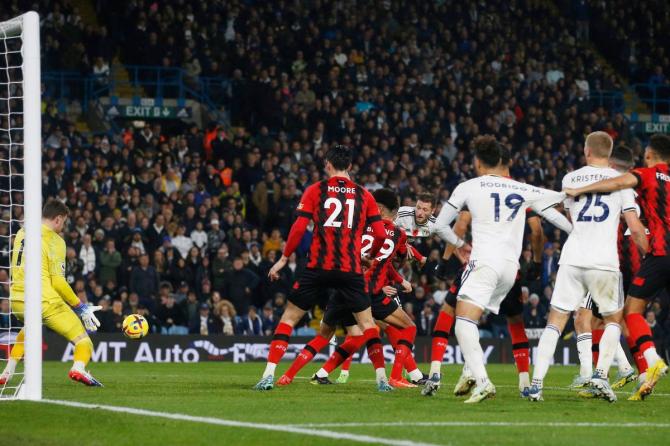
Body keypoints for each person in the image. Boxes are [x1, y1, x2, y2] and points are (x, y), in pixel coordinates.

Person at [432, 135, 570, 403]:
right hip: (510, 269)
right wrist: (575, 230)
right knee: (485, 318)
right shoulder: (522, 188)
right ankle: (471, 372)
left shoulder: (468, 186)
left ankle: (482, 381)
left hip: (484, 262)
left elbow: (440, 226)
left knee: (463, 322)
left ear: (478, 162)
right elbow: (553, 209)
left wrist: (460, 244)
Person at [253, 145, 390, 391]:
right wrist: (367, 255)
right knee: (368, 325)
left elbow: (298, 228)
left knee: (289, 318)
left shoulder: (316, 190)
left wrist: (284, 258)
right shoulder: (364, 195)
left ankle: (268, 375)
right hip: (350, 268)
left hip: (318, 266)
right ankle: (382, 379)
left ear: (327, 164)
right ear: (349, 166)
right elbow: (380, 234)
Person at [529, 132, 648, 402]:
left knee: (555, 322)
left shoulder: (570, 179)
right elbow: (633, 225)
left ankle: (536, 384)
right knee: (613, 320)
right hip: (604, 261)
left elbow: (564, 212)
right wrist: (649, 254)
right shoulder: (623, 185)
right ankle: (601, 377)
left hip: (572, 257)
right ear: (609, 153)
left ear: (587, 151)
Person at [276, 189, 421, 388]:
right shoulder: (397, 233)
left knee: (326, 336)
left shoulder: (358, 226)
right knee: (405, 328)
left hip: (343, 285)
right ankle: (395, 376)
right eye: (395, 214)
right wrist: (401, 274)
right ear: (387, 211)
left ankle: (290, 375)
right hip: (369, 292)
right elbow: (396, 258)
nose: (396, 218)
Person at [564, 133, 670, 401]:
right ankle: (636, 371)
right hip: (641, 254)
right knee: (613, 318)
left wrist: (580, 189)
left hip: (621, 257)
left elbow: (623, 201)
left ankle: (605, 374)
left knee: (608, 316)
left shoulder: (638, 178)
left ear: (648, 155)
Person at [0, 200, 103, 386]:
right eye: (64, 222)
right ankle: (78, 368)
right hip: (44, 300)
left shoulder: (22, 233)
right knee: (83, 341)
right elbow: (58, 282)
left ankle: (8, 371)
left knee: (29, 328)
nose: (63, 227)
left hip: (16, 299)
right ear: (58, 219)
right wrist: (80, 307)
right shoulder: (56, 241)